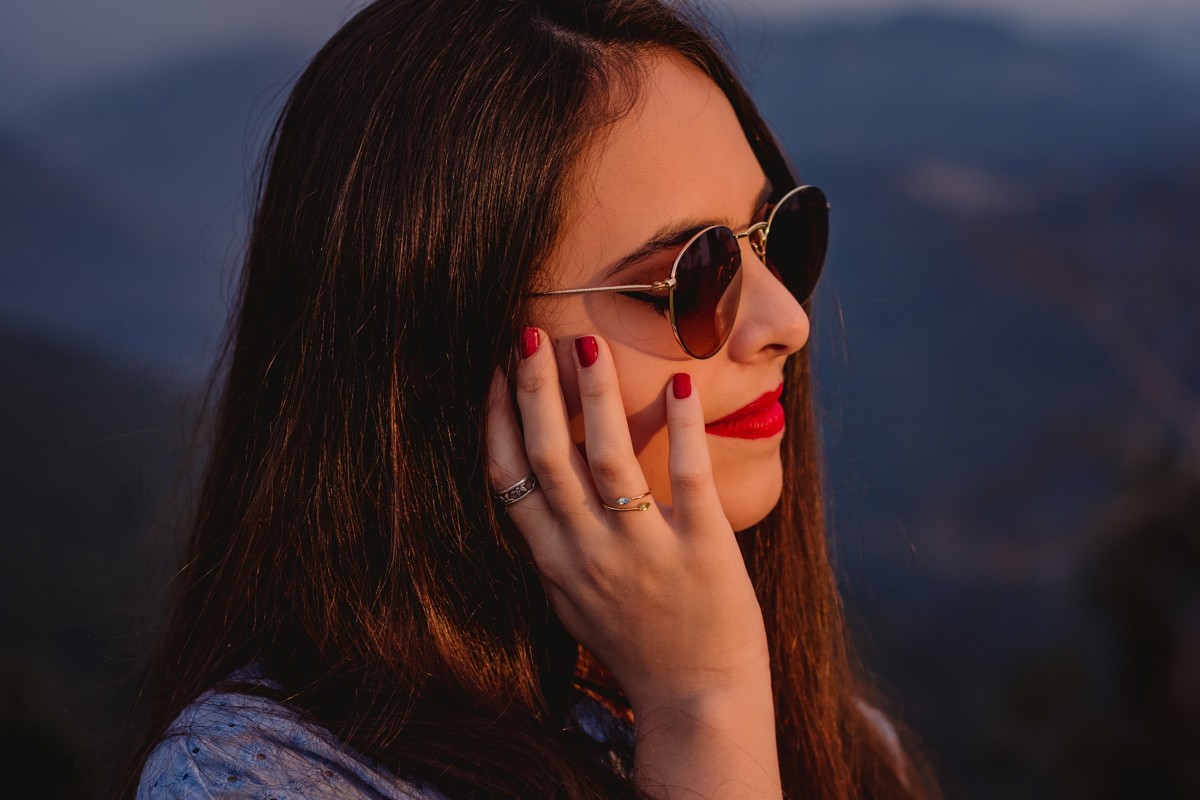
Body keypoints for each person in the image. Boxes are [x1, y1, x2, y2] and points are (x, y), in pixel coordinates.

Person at [117, 0, 937, 797]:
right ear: (446, 351)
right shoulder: (250, 777)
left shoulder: (849, 747)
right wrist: (703, 719)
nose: (787, 321)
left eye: (777, 237)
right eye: (694, 275)